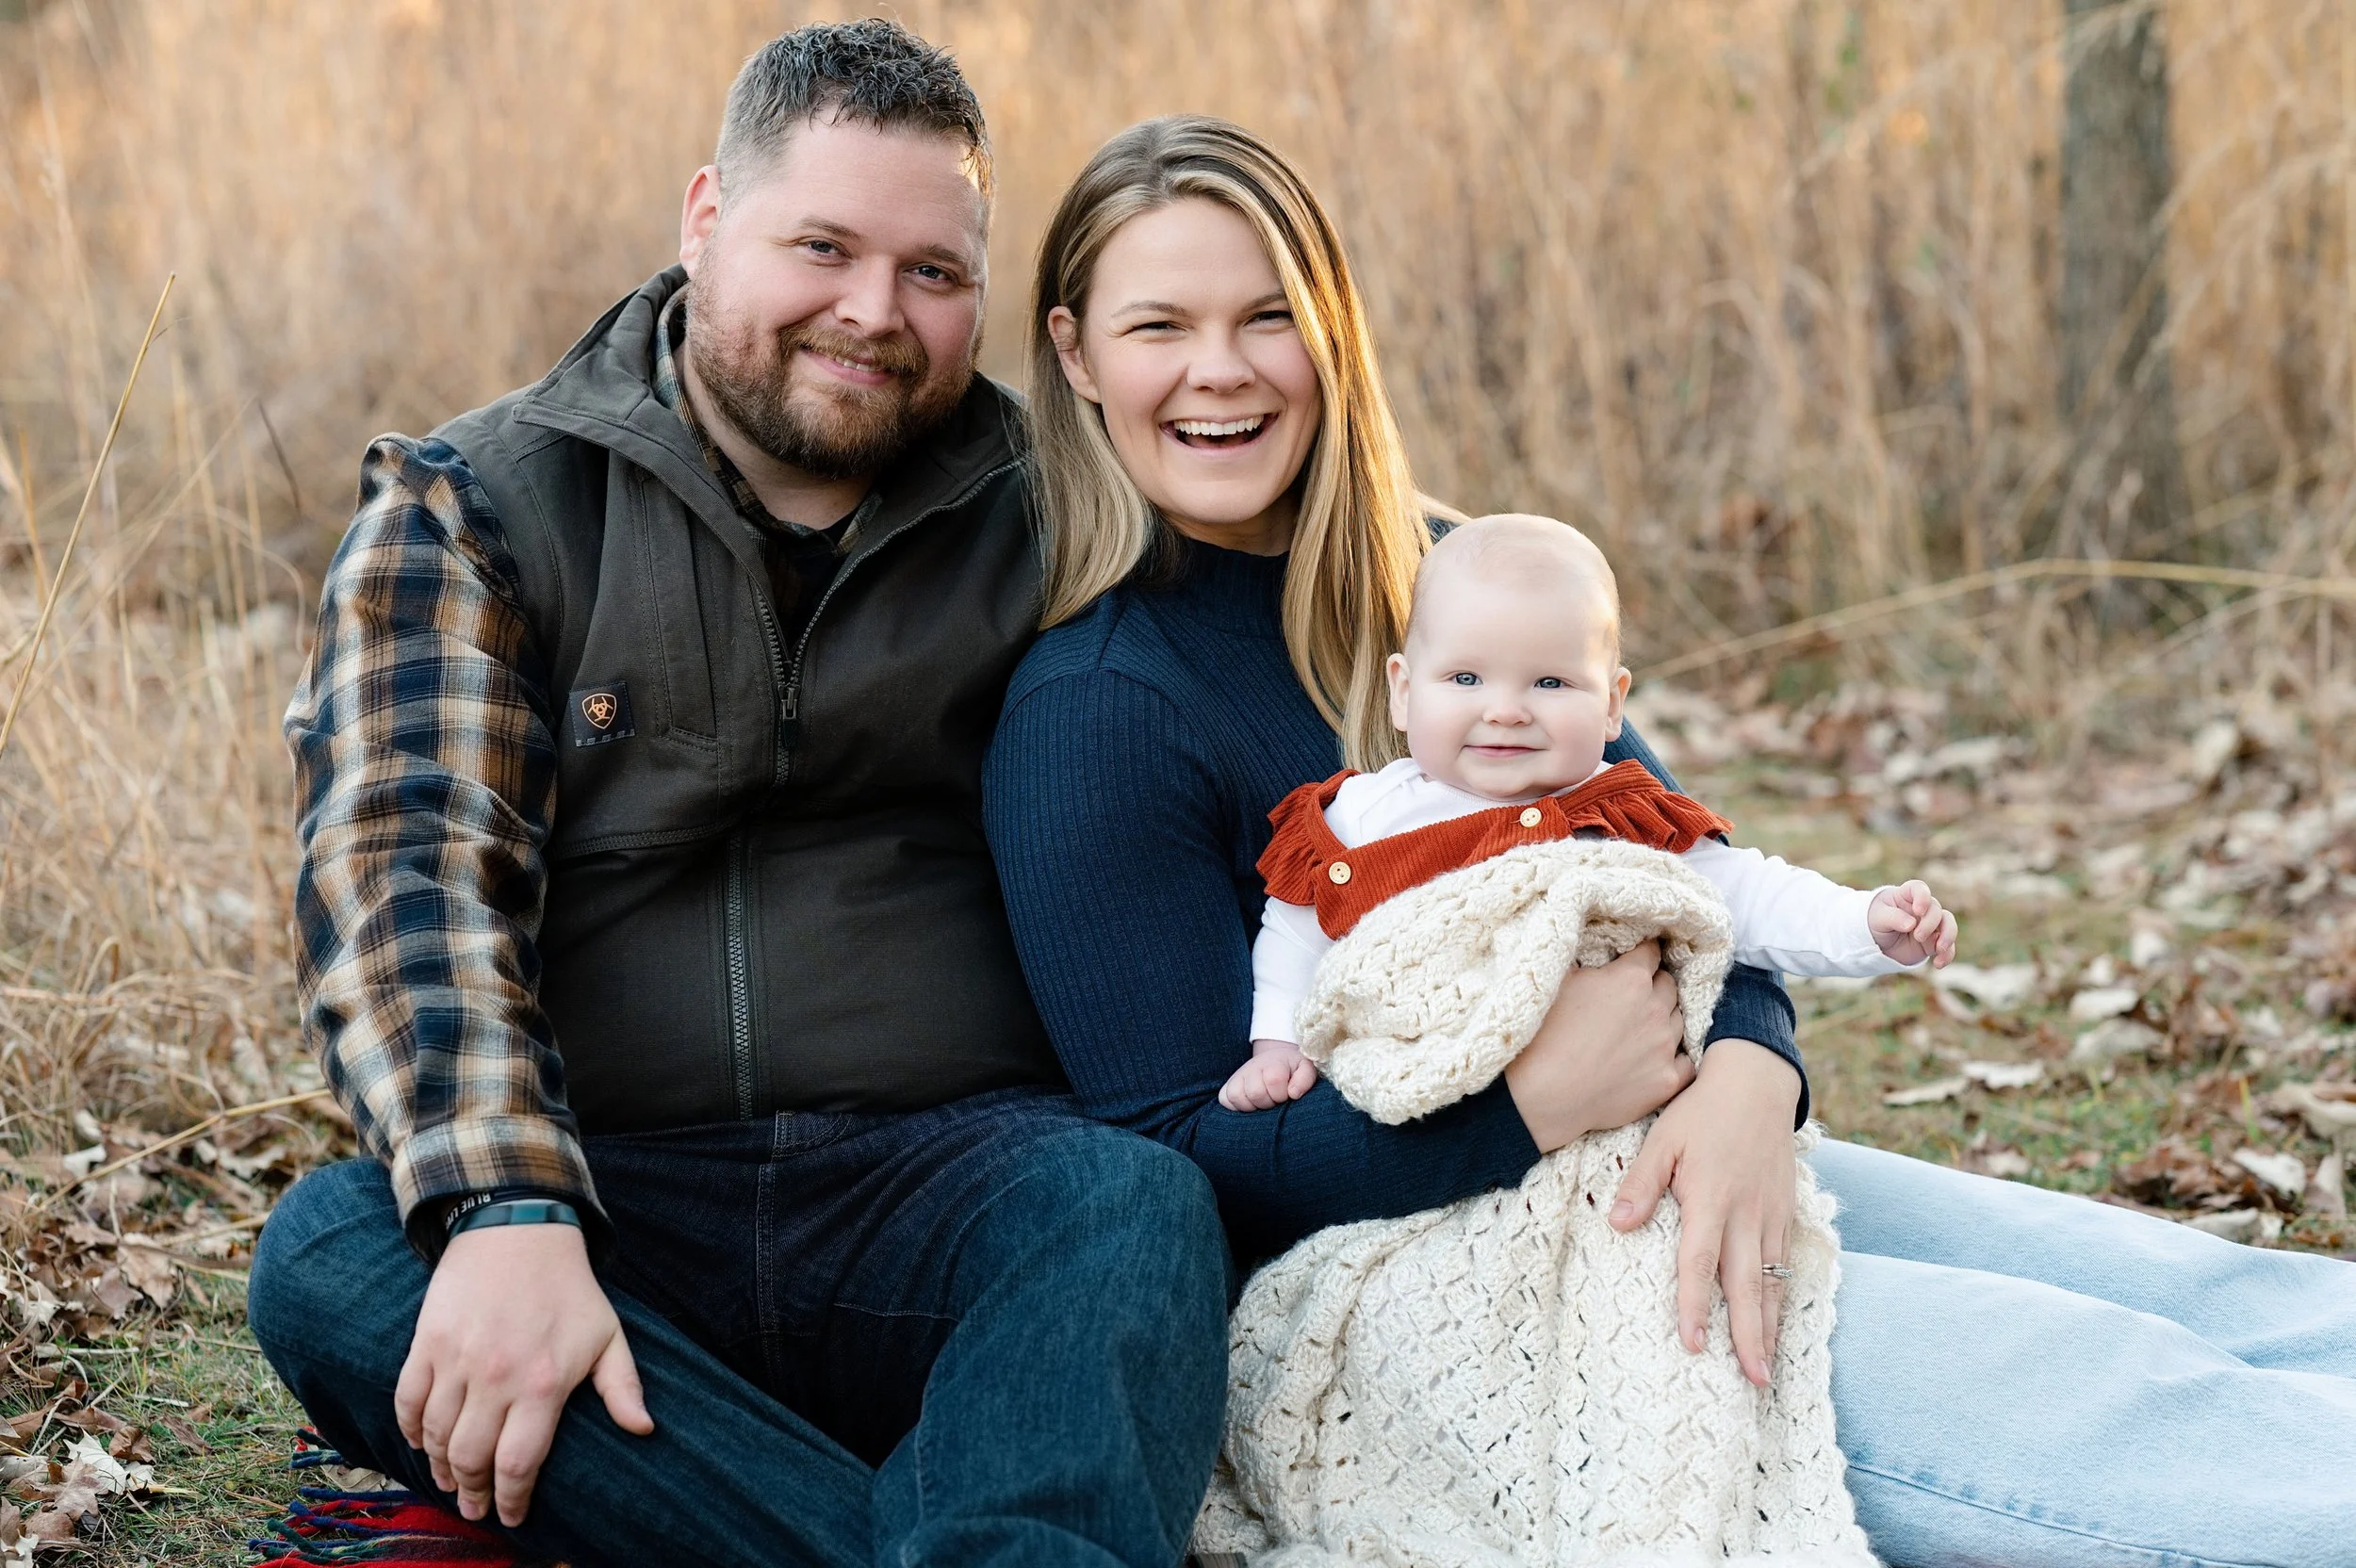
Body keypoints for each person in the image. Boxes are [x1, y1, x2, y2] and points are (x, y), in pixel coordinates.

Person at [982, 112, 2356, 1567]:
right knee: (2119, 1399)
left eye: (1269, 316)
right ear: (1074, 354)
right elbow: (1171, 1175)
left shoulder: (1455, 579)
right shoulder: (1097, 712)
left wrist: (1754, 1075)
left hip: (1674, 1141)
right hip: (1446, 1289)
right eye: (1160, 326)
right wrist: (1529, 1105)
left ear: (1333, 330)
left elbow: (1676, 857)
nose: (1221, 369)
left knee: (2191, 1295)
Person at [246, 25, 1227, 1568]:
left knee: (1134, 1208)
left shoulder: (1059, 512)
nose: (874, 313)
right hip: (617, 1211)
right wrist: (506, 1207)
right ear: (706, 218)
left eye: (932, 272)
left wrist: (1735, 1022)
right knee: (335, 1253)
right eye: (822, 245)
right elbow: (402, 874)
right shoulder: (478, 500)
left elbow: (1403, 638)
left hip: (950, 1190)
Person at [1224, 512, 1956, 1114]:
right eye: (1467, 677)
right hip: (1432, 1109)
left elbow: (1747, 898)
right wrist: (1279, 1043)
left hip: (1615, 1117)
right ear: (1404, 691)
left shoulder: (1621, 818)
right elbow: (1294, 930)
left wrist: (1867, 927)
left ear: (1611, 704)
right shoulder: (1365, 817)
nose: (1505, 711)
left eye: (1549, 681)